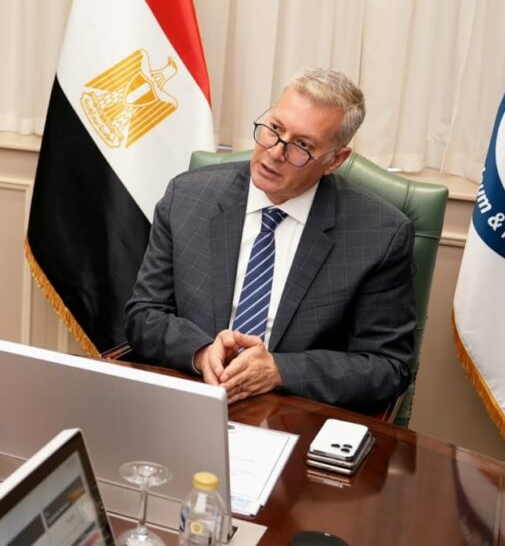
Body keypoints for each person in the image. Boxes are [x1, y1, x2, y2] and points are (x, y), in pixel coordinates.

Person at [125, 69, 416, 413]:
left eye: (302, 146)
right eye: (275, 129)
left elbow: (387, 367)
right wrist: (201, 352)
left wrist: (279, 370)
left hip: (294, 415)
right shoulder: (187, 198)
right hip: (191, 399)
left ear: (335, 160)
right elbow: (144, 315)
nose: (275, 152)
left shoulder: (380, 234)